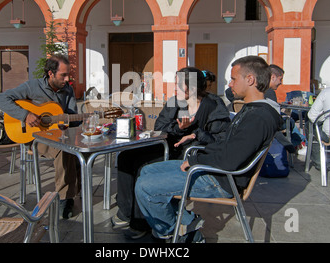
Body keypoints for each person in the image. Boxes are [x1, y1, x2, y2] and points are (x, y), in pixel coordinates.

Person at [135, 55, 283, 242]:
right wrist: (197, 136)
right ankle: (188, 221)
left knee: (144, 187)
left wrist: (195, 161)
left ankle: (177, 233)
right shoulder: (252, 110)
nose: (230, 84)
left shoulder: (259, 117)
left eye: (234, 78)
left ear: (250, 80)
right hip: (213, 168)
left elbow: (230, 160)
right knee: (147, 170)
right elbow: (227, 146)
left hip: (221, 179)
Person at [114, 66, 231, 239]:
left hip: (188, 154)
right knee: (126, 156)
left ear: (190, 88)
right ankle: (125, 211)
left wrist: (193, 131)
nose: (174, 88)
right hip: (168, 145)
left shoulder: (213, 106)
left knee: (143, 166)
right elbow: (159, 127)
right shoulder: (175, 101)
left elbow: (219, 139)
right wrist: (178, 127)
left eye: (177, 84)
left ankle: (140, 223)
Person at [0, 54, 80, 219]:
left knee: (75, 147)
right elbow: (1, 99)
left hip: (57, 135)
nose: (67, 78)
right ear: (50, 73)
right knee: (63, 150)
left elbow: (72, 116)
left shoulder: (67, 89)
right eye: (63, 75)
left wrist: (69, 121)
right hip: (34, 137)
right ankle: (65, 197)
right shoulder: (32, 87)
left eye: (68, 74)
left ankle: (73, 191)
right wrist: (25, 114)